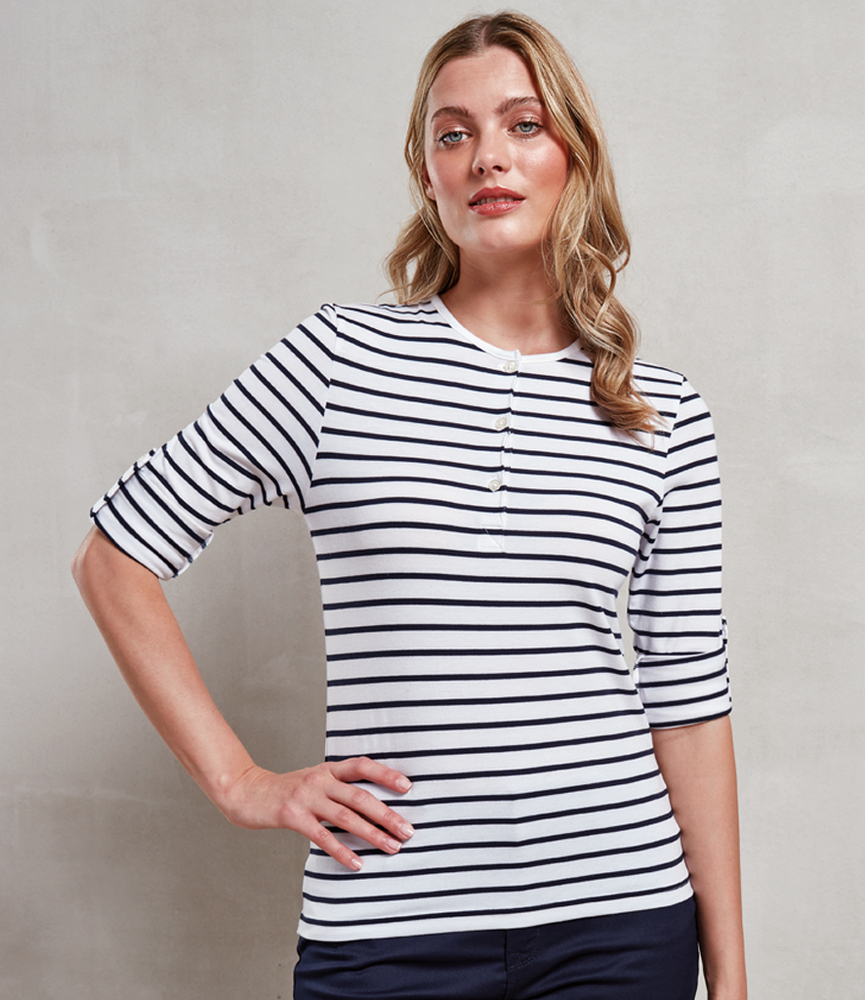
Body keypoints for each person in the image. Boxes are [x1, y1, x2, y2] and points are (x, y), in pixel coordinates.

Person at [72, 11, 746, 1000]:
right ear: (426, 174)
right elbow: (113, 556)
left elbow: (688, 709)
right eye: (452, 133)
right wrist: (238, 780)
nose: (486, 157)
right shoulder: (336, 364)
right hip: (387, 928)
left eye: (522, 124)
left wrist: (729, 979)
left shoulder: (661, 412)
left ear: (574, 154)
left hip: (619, 922)